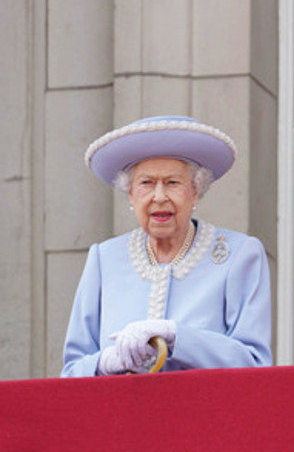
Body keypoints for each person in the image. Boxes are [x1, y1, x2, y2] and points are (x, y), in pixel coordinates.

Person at [61, 116, 272, 376]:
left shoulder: (239, 255)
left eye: (172, 183)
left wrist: (176, 336)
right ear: (130, 194)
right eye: (146, 183)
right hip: (121, 415)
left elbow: (254, 364)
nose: (159, 197)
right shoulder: (104, 259)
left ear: (195, 192)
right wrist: (104, 363)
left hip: (202, 414)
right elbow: (71, 372)